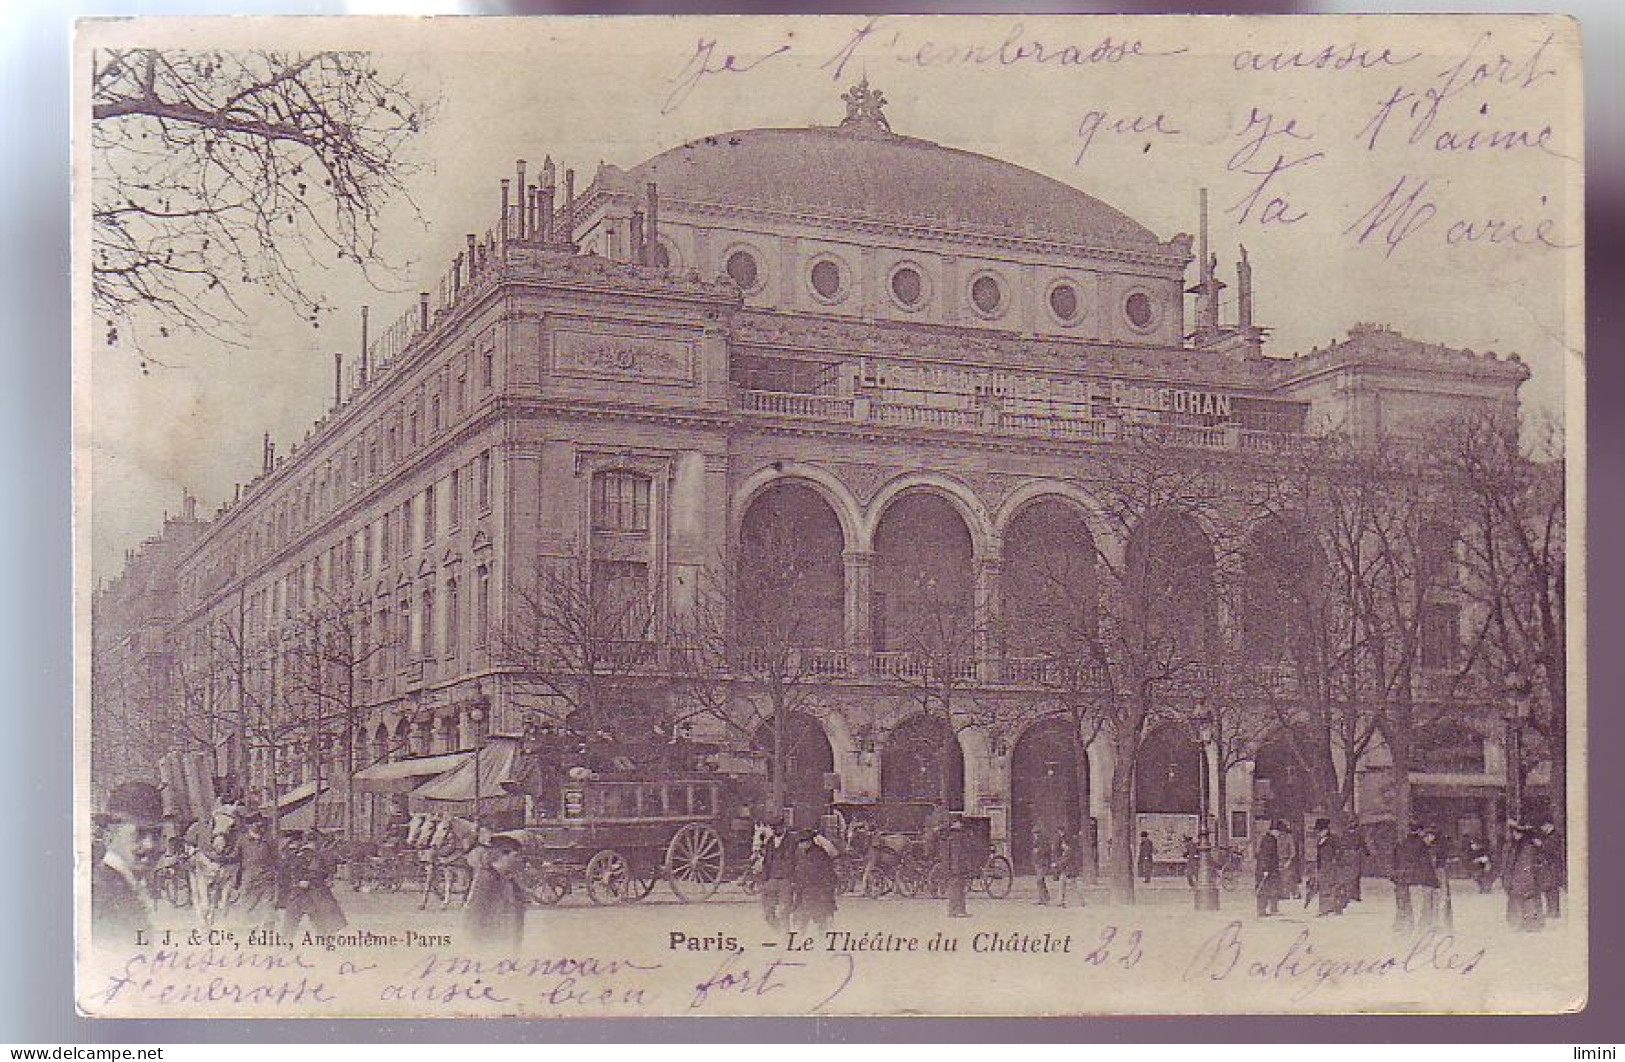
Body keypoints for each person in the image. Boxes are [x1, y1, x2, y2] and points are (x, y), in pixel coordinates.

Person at [92, 780, 166, 943]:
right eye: (139, 833)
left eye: (156, 834)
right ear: (110, 833)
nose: (150, 845)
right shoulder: (99, 892)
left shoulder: (122, 884)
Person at [464, 834, 526, 951]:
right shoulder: (486, 879)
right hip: (491, 946)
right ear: (503, 856)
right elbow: (473, 916)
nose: (519, 860)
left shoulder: (510, 881)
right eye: (516, 856)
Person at [282, 833, 347, 936]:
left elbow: (287, 871)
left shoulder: (295, 854)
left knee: (291, 923)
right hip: (313, 893)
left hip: (299, 892)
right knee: (320, 922)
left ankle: (283, 945)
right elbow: (327, 871)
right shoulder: (319, 856)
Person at [233, 814, 279, 925]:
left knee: (268, 909)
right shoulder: (242, 841)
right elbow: (235, 859)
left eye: (260, 822)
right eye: (255, 823)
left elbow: (275, 858)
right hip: (249, 880)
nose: (259, 825)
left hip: (266, 879)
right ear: (249, 825)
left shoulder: (268, 840)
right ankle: (247, 933)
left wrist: (274, 875)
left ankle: (268, 934)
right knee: (246, 908)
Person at [790, 829, 839, 933]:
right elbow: (798, 870)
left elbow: (825, 874)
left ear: (809, 842)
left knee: (819, 919)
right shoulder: (800, 854)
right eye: (799, 842)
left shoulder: (819, 854)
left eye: (802, 842)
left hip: (817, 891)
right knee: (801, 919)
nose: (800, 845)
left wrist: (826, 892)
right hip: (805, 891)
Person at [1392, 822, 1435, 931]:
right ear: (1420, 831)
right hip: (1418, 879)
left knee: (1404, 903)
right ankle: (1420, 926)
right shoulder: (1421, 844)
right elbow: (1426, 863)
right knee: (1420, 904)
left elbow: (1396, 860)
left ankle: (1403, 925)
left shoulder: (1402, 843)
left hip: (1403, 877)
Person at [1504, 822, 1545, 932]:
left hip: (1525, 879)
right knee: (1523, 901)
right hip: (1521, 878)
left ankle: (1531, 924)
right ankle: (1525, 923)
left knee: (1527, 900)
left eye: (1516, 832)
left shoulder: (1526, 847)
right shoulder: (1518, 845)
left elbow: (1524, 864)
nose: (1514, 835)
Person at [760, 819, 795, 930]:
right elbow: (766, 862)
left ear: (783, 827)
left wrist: (794, 880)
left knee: (784, 912)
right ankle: (779, 932)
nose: (775, 830)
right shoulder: (770, 842)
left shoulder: (792, 841)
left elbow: (797, 861)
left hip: (786, 881)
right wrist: (764, 880)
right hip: (771, 881)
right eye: (773, 828)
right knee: (768, 915)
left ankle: (785, 938)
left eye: (777, 827)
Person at [1313, 818, 1344, 916]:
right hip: (1323, 865)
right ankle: (1324, 909)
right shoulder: (1320, 840)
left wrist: (1335, 860)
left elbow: (1340, 851)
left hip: (1331, 866)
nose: (1318, 833)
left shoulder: (1333, 839)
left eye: (1320, 831)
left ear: (1325, 830)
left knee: (1333, 887)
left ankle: (1336, 908)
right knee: (1323, 887)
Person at [944, 813, 972, 918]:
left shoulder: (952, 837)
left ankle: (960, 910)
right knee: (956, 888)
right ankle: (954, 910)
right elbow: (955, 854)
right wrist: (956, 868)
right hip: (957, 867)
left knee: (959, 888)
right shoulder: (956, 838)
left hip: (957, 867)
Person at [1255, 821, 1281, 918]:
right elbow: (1265, 856)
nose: (1279, 834)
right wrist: (1265, 869)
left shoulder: (1270, 839)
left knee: (1268, 889)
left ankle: (1265, 910)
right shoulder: (1268, 841)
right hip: (1265, 869)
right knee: (1263, 889)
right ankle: (1261, 911)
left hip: (1270, 869)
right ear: (1273, 831)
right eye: (1278, 832)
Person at [1537, 821, 1564, 918]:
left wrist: (1541, 845)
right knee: (1548, 888)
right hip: (1549, 867)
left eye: (1543, 826)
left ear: (1549, 825)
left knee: (1552, 889)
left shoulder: (1554, 836)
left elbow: (1550, 849)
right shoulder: (1549, 836)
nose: (1542, 829)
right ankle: (1551, 910)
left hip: (1553, 867)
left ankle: (1554, 911)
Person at [1056, 827, 1084, 909]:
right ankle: (1061, 901)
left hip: (1070, 870)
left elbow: (1066, 859)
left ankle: (1080, 901)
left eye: (1063, 844)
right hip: (1067, 870)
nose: (1062, 845)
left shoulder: (1069, 851)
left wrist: (1057, 864)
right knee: (1062, 884)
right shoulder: (1067, 851)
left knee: (1073, 885)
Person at [1342, 820, 1370, 904]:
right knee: (1356, 875)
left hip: (1346, 855)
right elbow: (1363, 845)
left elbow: (1341, 845)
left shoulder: (1345, 835)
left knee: (1348, 875)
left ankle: (1348, 894)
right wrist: (1367, 853)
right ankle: (1355, 894)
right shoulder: (1358, 835)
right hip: (1355, 855)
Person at [1277, 822, 1300, 899]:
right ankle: (1284, 894)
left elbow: (1293, 851)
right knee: (1281, 877)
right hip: (1279, 860)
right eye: (1280, 831)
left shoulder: (1289, 837)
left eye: (1282, 831)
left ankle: (1296, 893)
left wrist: (1289, 861)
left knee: (1289, 877)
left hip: (1287, 859)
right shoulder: (1277, 838)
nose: (1281, 833)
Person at [1031, 827, 1054, 906]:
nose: (1035, 835)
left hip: (1043, 863)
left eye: (1036, 833)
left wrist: (1039, 851)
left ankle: (1042, 899)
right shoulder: (1036, 841)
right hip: (1038, 863)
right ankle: (1045, 897)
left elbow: (1047, 851)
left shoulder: (1043, 841)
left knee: (1039, 880)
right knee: (1041, 881)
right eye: (1034, 834)